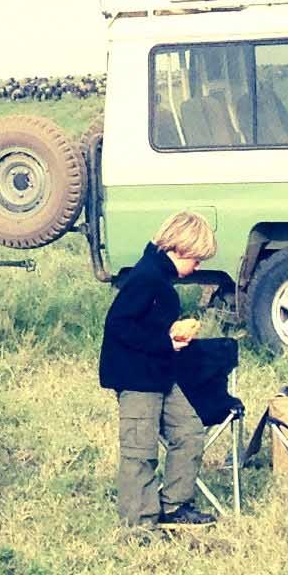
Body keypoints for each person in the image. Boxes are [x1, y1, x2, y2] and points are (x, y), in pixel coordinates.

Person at [100, 211, 219, 531]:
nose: (198, 267)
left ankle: (174, 505)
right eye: (197, 259)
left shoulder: (159, 277)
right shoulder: (146, 277)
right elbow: (119, 325)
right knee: (140, 450)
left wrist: (170, 335)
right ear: (180, 249)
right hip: (137, 379)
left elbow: (145, 324)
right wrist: (165, 341)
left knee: (189, 433)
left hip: (161, 374)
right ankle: (138, 523)